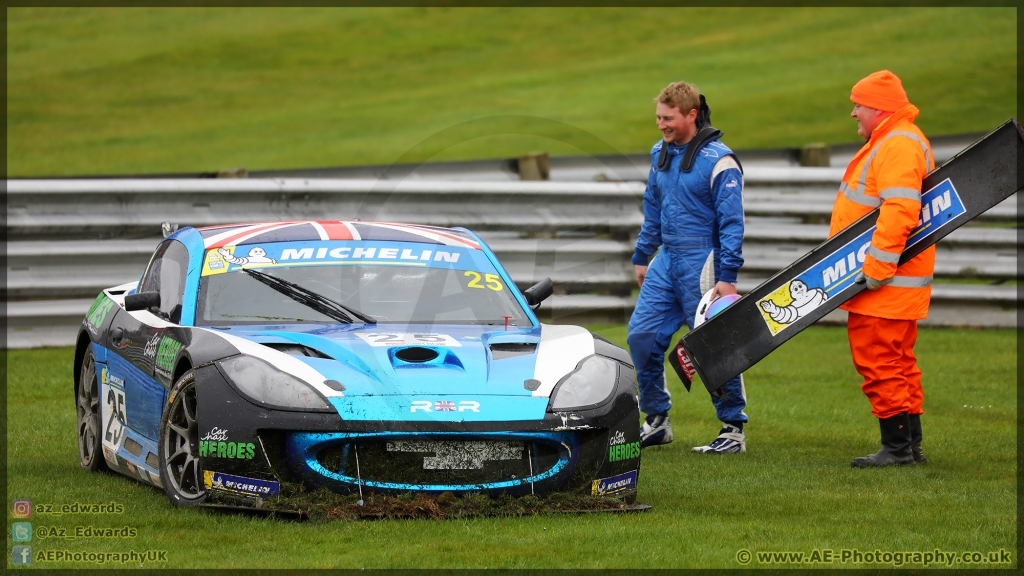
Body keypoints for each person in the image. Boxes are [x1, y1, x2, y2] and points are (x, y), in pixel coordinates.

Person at [627, 81, 748, 453]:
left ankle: (733, 430)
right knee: (641, 337)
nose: (661, 125)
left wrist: (727, 277)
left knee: (713, 347)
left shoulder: (720, 161)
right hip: (666, 259)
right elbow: (653, 205)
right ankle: (657, 421)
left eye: (669, 118)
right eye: (659, 118)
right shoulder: (658, 153)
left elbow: (733, 223)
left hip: (704, 262)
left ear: (691, 115)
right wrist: (642, 254)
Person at [830, 70, 935, 467]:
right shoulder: (897, 139)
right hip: (894, 278)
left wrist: (877, 266)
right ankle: (910, 446)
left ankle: (897, 449)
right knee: (898, 361)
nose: (854, 113)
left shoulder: (897, 143)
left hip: (883, 281)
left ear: (878, 108)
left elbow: (900, 209)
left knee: (878, 359)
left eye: (858, 105)